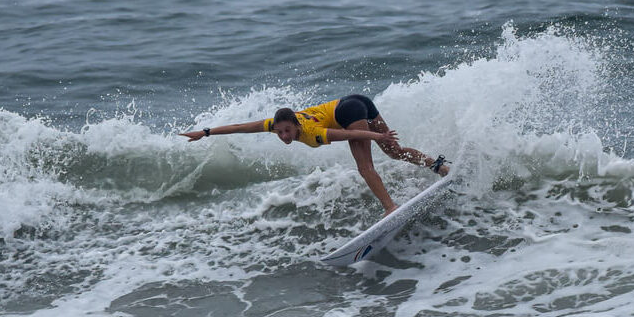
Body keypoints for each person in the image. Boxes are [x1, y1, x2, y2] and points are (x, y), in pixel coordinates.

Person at [180, 94, 449, 215]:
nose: (284, 136)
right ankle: (440, 167)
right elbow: (242, 127)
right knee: (394, 152)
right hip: (359, 101)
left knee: (365, 166)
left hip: (349, 113)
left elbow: (348, 135)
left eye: (288, 131)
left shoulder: (311, 133)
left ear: (296, 125)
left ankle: (390, 208)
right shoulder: (277, 123)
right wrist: (205, 132)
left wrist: (377, 136)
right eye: (280, 132)